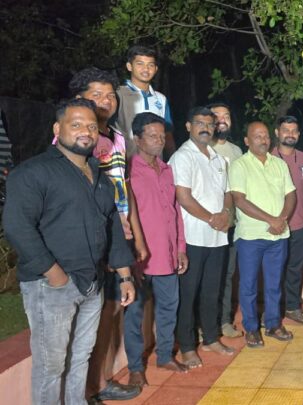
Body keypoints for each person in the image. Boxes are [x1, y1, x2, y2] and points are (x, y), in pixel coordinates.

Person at [3, 98, 136, 405]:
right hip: (51, 287)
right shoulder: (34, 172)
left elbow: (113, 227)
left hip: (92, 283)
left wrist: (125, 275)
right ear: (57, 129)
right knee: (51, 368)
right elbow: (17, 226)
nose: (86, 132)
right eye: (76, 125)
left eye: (91, 126)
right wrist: (55, 275)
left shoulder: (100, 176)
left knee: (81, 357)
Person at [64, 68, 144, 403]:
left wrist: (133, 234)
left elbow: (123, 188)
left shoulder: (117, 137)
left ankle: (98, 382)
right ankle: (83, 389)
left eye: (110, 95)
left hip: (116, 236)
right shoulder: (75, 138)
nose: (106, 101)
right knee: (86, 319)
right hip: (89, 239)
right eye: (96, 94)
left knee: (111, 310)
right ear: (79, 98)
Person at [124, 112, 190, 387]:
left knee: (168, 308)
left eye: (162, 136)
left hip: (167, 255)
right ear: (137, 139)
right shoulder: (127, 171)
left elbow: (176, 213)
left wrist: (181, 248)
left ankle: (164, 355)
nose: (159, 140)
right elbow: (124, 215)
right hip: (139, 257)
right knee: (134, 314)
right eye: (152, 136)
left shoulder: (167, 170)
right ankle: (135, 367)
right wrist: (128, 256)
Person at [169, 106, 234, 368]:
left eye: (210, 124)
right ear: (188, 126)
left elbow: (227, 193)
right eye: (200, 123)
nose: (206, 128)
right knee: (188, 294)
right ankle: (186, 346)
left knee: (211, 291)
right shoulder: (182, 157)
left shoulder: (218, 158)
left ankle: (210, 338)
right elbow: (183, 197)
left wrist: (226, 214)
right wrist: (211, 218)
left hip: (217, 237)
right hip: (193, 237)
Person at [230, 121, 297, 347]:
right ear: (247, 141)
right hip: (251, 237)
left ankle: (273, 324)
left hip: (277, 236)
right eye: (257, 136)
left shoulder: (279, 164)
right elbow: (239, 200)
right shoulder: (239, 165)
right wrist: (271, 220)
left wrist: (282, 219)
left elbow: (291, 195)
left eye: (266, 136)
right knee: (248, 285)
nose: (263, 140)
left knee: (274, 284)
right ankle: (251, 328)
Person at [207, 102, 244, 338]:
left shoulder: (236, 151)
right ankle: (204, 324)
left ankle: (224, 321)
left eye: (227, 116)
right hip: (208, 224)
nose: (222, 120)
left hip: (232, 224)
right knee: (208, 276)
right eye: (217, 116)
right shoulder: (202, 148)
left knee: (228, 275)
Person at [272, 115, 303, 325]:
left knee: (295, 268)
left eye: (294, 131)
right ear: (277, 132)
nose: (290, 134)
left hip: (300, 224)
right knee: (274, 269)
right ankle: (272, 310)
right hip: (276, 225)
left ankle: (292, 307)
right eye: (286, 130)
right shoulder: (268, 158)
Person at [116, 45, 175, 157]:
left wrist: (172, 158)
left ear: (156, 69)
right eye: (140, 64)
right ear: (129, 66)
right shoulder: (118, 94)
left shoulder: (161, 99)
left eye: (150, 65)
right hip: (126, 162)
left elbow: (167, 132)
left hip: (155, 163)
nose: (146, 69)